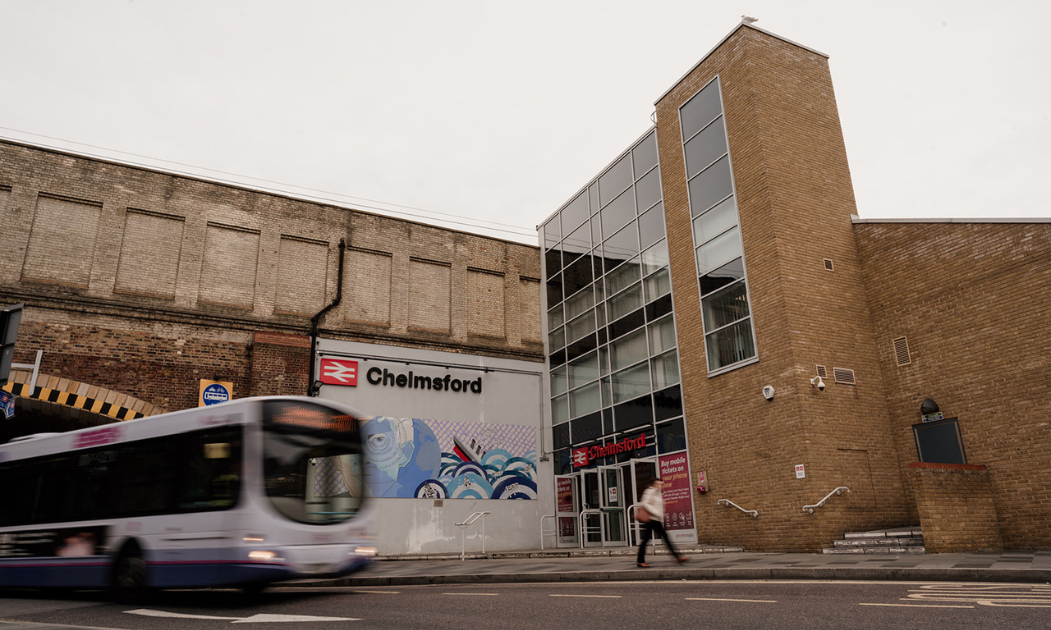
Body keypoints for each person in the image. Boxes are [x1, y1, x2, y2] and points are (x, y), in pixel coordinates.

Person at [635, 478, 687, 567]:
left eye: (662, 484)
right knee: (662, 538)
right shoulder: (650, 491)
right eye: (660, 484)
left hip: (656, 519)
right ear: (655, 484)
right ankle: (677, 557)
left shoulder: (657, 493)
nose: (662, 486)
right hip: (651, 519)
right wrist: (657, 513)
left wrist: (660, 514)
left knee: (650, 539)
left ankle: (640, 561)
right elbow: (645, 504)